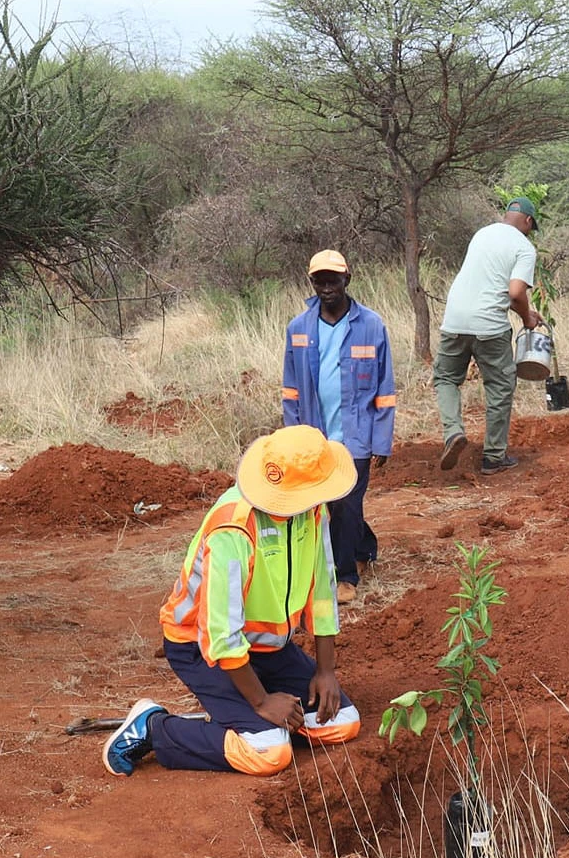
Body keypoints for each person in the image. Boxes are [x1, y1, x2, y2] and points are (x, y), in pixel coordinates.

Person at [104, 425, 362, 777]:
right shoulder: (233, 528)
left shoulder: (314, 514)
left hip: (267, 649)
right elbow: (222, 634)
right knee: (270, 753)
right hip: (202, 649)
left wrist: (326, 670)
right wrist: (261, 701)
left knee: (342, 723)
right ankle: (155, 728)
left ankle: (245, 714)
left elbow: (322, 593)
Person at [282, 250, 395, 605]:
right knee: (328, 504)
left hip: (357, 436)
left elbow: (385, 389)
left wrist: (382, 440)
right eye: (320, 280)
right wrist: (293, 435)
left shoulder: (372, 326)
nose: (327, 287)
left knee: (346, 502)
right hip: (314, 436)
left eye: (333, 279)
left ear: (348, 279)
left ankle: (345, 576)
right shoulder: (298, 329)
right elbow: (291, 390)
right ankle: (365, 547)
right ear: (311, 282)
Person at [434, 197, 543, 475]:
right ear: (528, 221)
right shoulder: (524, 247)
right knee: (500, 385)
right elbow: (516, 292)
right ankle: (494, 456)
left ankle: (453, 432)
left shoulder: (482, 233)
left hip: (454, 319)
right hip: (490, 326)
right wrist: (527, 318)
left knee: (446, 378)